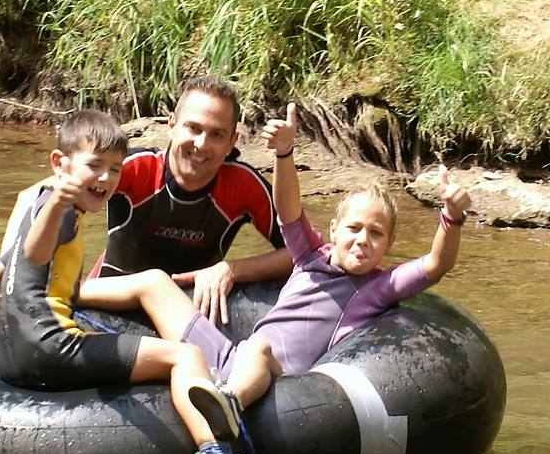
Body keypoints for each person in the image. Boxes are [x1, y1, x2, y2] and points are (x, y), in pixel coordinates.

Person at [0, 109, 282, 454]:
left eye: (114, 169)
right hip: (53, 349)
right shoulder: (60, 214)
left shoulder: (41, 205)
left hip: (11, 356)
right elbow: (35, 251)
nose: (106, 179)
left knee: (145, 294)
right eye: (95, 167)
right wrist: (59, 204)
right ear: (60, 166)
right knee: (186, 355)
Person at [89, 102, 473, 431]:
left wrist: (451, 217)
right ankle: (58, 291)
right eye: (354, 228)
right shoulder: (309, 255)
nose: (363, 240)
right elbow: (289, 210)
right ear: (334, 230)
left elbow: (435, 266)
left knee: (258, 348)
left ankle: (228, 405)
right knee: (157, 284)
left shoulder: (378, 286)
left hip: (278, 375)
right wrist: (284, 153)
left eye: (376, 234)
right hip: (229, 355)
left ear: (388, 245)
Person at [75, 75, 290, 325]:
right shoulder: (132, 169)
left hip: (186, 313)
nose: (201, 144)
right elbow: (53, 198)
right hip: (108, 305)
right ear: (172, 124)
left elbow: (302, 253)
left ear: (232, 142)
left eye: (217, 135)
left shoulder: (242, 186)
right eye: (194, 128)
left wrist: (231, 269)